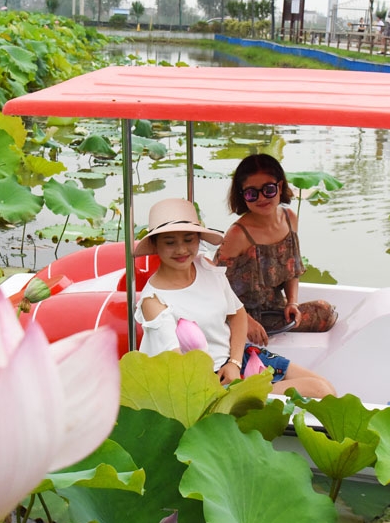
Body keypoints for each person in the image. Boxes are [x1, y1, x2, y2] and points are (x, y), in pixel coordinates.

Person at [134, 198, 336, 398]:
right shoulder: (154, 300)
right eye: (170, 242)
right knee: (321, 391)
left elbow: (237, 314)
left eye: (188, 239)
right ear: (155, 244)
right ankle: (254, 396)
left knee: (327, 387)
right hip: (206, 383)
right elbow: (177, 365)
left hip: (235, 359)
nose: (181, 250)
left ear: (198, 239)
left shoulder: (206, 268)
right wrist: (237, 384)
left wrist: (234, 363)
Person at [215, 154, 338, 347]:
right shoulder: (238, 234)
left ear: (280, 187)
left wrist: (292, 303)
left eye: (268, 189)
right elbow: (215, 286)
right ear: (242, 195)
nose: (261, 198)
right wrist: (245, 321)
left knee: (324, 311)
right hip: (237, 313)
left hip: (274, 308)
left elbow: (293, 270)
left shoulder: (290, 219)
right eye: (252, 193)